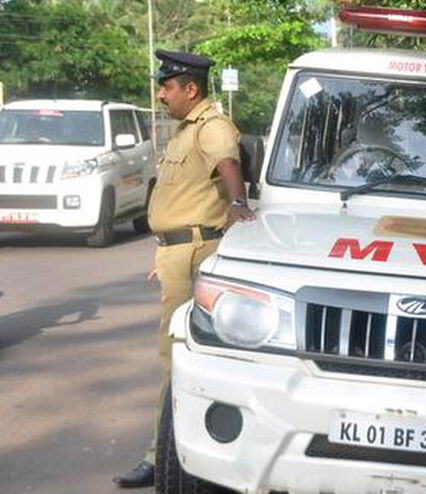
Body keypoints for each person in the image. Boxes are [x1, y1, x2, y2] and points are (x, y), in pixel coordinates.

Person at [114, 50, 255, 488]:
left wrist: (238, 204)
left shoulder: (211, 126)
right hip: (180, 252)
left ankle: (163, 456)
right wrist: (168, 250)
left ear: (190, 89)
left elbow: (227, 163)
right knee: (178, 354)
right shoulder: (185, 130)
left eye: (167, 87)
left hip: (194, 251)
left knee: (176, 355)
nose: (161, 95)